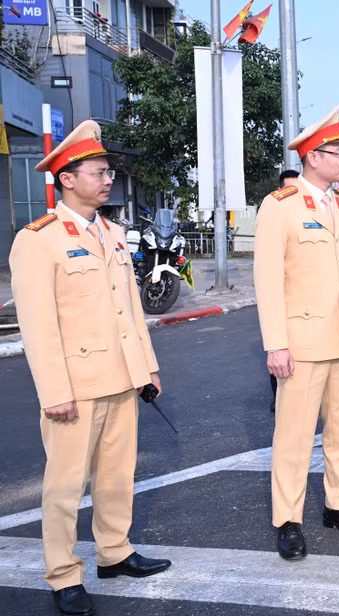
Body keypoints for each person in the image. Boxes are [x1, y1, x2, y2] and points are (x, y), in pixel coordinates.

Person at [9, 120, 171, 616]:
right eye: (98, 172)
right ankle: (63, 574)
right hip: (75, 387)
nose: (107, 180)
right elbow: (37, 326)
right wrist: (54, 391)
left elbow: (131, 311)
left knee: (117, 476)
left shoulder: (113, 233)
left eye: (108, 172)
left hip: (121, 378)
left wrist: (147, 367)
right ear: (67, 178)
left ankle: (114, 552)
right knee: (64, 487)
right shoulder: (38, 240)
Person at [254, 106, 339, 561]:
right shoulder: (280, 206)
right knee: (294, 436)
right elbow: (268, 281)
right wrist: (276, 344)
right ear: (312, 157)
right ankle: (287, 521)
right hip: (302, 344)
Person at [266, 169, 301, 415]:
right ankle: (278, 396)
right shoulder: (273, 213)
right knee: (278, 349)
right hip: (281, 299)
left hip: (304, 301)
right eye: (289, 188)